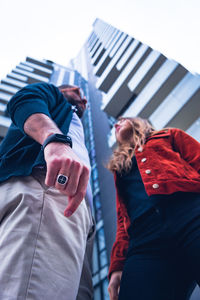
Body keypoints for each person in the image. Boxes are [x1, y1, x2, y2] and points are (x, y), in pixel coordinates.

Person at [0, 82, 95, 300]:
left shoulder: (76, 124)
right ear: (62, 91)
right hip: (45, 188)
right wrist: (55, 141)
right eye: (76, 91)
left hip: (75, 216)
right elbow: (23, 99)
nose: (83, 99)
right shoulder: (54, 99)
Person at [107, 117, 200, 300]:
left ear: (139, 122)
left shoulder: (169, 135)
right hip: (143, 238)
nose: (117, 124)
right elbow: (122, 218)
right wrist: (117, 266)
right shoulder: (119, 169)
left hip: (191, 213)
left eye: (123, 120)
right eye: (115, 125)